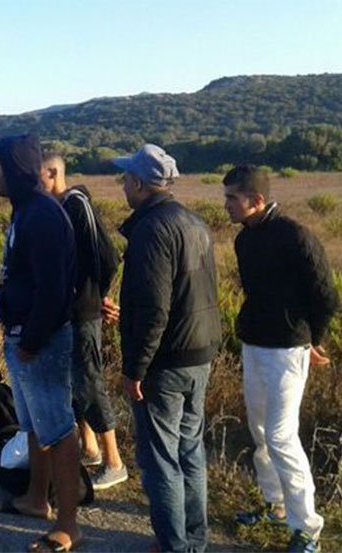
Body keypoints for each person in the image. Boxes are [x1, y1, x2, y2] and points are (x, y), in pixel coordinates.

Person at [223, 165, 339, 553]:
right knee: (259, 432)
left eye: (232, 198)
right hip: (254, 345)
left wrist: (312, 340)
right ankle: (273, 505)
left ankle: (308, 527)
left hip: (289, 350)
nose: (226, 206)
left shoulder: (295, 236)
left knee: (280, 435)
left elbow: (326, 296)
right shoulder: (244, 241)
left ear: (256, 200)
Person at [114, 144, 222, 552]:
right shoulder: (193, 221)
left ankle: (174, 544)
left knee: (161, 458)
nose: (123, 184)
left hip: (167, 360)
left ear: (141, 184)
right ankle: (194, 540)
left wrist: (135, 369)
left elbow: (153, 308)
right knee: (190, 450)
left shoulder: (151, 229)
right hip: (201, 352)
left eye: (126, 178)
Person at [0, 134, 82, 552]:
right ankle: (35, 498)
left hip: (41, 341)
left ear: (14, 169)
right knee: (33, 425)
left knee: (58, 429)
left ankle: (68, 525)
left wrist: (32, 338)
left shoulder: (42, 214)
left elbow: (55, 288)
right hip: (23, 338)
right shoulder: (25, 210)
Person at [39, 153, 127, 491]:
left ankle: (114, 461)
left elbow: (106, 256)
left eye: (39, 176)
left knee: (89, 381)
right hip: (64, 312)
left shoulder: (77, 204)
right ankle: (88, 447)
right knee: (72, 380)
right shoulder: (53, 206)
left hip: (83, 311)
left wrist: (96, 295)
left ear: (53, 173)